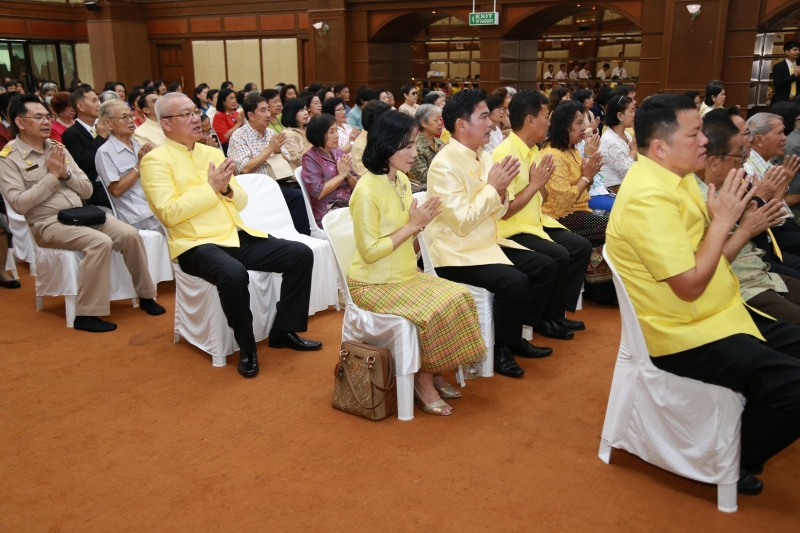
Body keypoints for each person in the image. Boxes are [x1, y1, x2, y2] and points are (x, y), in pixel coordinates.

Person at [606, 92, 800, 496]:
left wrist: (737, 224)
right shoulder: (648, 197)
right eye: (694, 134)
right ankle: (728, 456)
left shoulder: (676, 182)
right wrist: (725, 222)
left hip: (718, 310)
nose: (704, 142)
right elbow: (690, 283)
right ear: (660, 147)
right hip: (684, 333)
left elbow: (709, 261)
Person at [140, 93, 321, 377]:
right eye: (185, 114)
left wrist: (226, 189)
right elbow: (169, 213)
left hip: (234, 235)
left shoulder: (211, 153)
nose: (196, 119)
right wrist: (211, 187)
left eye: (195, 112)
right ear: (166, 124)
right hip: (194, 244)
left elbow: (241, 201)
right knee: (235, 274)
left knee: (300, 254)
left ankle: (283, 330)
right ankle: (247, 348)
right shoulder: (155, 161)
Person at [350, 110, 486, 415]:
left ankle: (434, 371)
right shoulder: (366, 191)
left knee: (459, 296)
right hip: (372, 283)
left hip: (402, 274)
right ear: (386, 146)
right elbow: (370, 252)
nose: (414, 153)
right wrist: (413, 226)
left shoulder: (400, 181)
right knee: (432, 310)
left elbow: (404, 238)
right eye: (407, 146)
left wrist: (419, 226)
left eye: (414, 145)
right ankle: (423, 382)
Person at [426, 89, 562, 380]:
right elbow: (462, 223)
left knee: (545, 266)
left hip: (487, 244)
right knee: (514, 282)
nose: (493, 124)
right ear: (461, 125)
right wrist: (493, 188)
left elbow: (499, 213)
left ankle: (514, 335)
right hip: (455, 253)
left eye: (491, 116)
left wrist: (498, 191)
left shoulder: (484, 157)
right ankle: (501, 348)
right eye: (484, 116)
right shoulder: (444, 165)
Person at [0, 94, 164, 332]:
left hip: (82, 214)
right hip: (46, 224)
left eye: (47, 117)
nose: (46, 122)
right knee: (99, 242)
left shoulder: (57, 148)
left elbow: (86, 188)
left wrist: (65, 174)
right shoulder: (9, 158)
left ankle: (146, 296)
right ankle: (86, 314)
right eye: (38, 117)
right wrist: (53, 177)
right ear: (20, 123)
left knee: (129, 234)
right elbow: (19, 204)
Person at [492, 90, 592, 334]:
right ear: (530, 120)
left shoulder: (534, 150)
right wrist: (535, 184)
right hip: (511, 228)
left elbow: (543, 196)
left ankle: (556, 313)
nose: (549, 122)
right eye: (545, 116)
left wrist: (541, 184)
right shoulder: (506, 154)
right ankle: (539, 320)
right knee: (557, 255)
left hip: (535, 222)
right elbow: (505, 212)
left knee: (579, 246)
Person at [696, 111, 800, 324]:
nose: (744, 160)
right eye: (739, 156)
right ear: (714, 161)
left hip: (760, 271)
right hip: (741, 285)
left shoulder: (729, 183)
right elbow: (705, 268)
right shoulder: (695, 196)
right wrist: (749, 223)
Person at [541, 100, 616, 305]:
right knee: (615, 227)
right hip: (561, 218)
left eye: (585, 123)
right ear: (565, 126)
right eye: (579, 123)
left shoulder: (572, 151)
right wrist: (586, 176)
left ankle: (606, 286)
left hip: (580, 210)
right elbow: (563, 203)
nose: (585, 129)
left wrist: (588, 173)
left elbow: (584, 192)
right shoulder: (553, 155)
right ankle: (601, 290)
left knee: (620, 220)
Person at [227, 96, 310, 236]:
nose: (268, 114)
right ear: (250, 115)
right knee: (297, 197)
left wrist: (278, 150)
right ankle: (297, 236)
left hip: (276, 181)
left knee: (302, 191)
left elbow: (286, 159)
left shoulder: (270, 133)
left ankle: (299, 235)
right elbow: (245, 168)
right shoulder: (239, 136)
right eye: (263, 110)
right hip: (252, 188)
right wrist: (270, 149)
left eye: (267, 110)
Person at [94, 99, 162, 233]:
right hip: (138, 215)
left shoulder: (138, 145)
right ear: (108, 123)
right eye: (124, 117)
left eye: (131, 116)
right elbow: (116, 190)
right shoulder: (105, 152)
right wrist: (139, 165)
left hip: (156, 205)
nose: (131, 120)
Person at [744, 112, 800, 257]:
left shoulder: (765, 161)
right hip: (774, 234)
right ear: (759, 140)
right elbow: (770, 214)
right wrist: (784, 183)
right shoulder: (749, 169)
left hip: (785, 226)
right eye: (779, 133)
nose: (785, 138)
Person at [301, 114, 358, 228]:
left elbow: (356, 185)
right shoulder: (310, 158)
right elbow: (318, 192)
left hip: (348, 205)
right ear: (319, 134)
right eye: (331, 132)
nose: (337, 136)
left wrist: (347, 176)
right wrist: (341, 176)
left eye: (336, 130)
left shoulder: (338, 153)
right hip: (329, 212)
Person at [61, 86, 112, 209]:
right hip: (95, 187)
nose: (99, 104)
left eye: (98, 100)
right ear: (81, 106)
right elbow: (83, 163)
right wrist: (100, 138)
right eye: (94, 101)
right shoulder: (71, 134)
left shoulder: (105, 126)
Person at [598, 94, 637, 194]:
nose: (634, 114)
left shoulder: (626, 135)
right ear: (620, 115)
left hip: (627, 185)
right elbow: (625, 173)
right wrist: (633, 150)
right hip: (614, 189)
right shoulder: (609, 140)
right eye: (631, 111)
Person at [351, 101, 392, 178]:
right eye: (387, 119)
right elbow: (364, 175)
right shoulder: (360, 145)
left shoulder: (382, 138)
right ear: (377, 120)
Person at [408, 104, 443, 191]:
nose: (440, 123)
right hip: (425, 191)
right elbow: (423, 177)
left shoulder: (440, 142)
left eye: (440, 119)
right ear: (423, 123)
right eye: (436, 120)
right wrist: (441, 157)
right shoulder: (416, 146)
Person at [280, 97, 312, 171]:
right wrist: (312, 144)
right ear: (292, 113)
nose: (306, 113)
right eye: (301, 110)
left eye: (306, 109)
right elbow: (298, 161)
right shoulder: (287, 134)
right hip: (299, 175)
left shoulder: (308, 129)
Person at [212, 87, 243, 155]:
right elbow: (224, 137)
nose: (234, 101)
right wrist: (238, 124)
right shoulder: (219, 115)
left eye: (234, 98)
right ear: (223, 101)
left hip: (239, 144)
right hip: (226, 147)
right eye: (231, 98)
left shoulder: (236, 113)